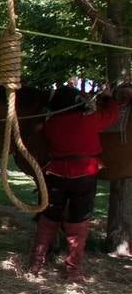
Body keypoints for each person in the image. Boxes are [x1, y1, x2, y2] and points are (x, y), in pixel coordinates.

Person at [27, 83, 131, 281]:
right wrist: (109, 98)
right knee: (78, 223)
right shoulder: (89, 120)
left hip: (56, 175)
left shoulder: (51, 124)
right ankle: (73, 272)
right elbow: (111, 116)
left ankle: (35, 265)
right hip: (84, 175)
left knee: (48, 220)